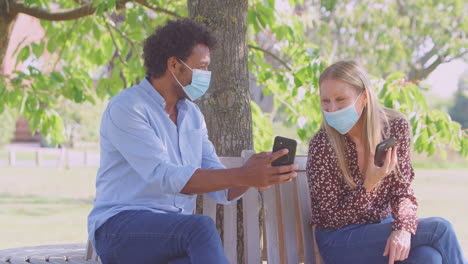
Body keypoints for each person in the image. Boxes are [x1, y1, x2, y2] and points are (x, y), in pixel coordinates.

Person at [87, 19, 298, 264]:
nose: (207, 76)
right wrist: (244, 174)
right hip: (120, 230)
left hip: (171, 236)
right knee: (200, 227)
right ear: (174, 65)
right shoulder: (128, 108)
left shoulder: (192, 116)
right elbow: (164, 176)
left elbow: (221, 185)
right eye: (202, 67)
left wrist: (258, 173)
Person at [306, 60, 467, 264]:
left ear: (363, 97)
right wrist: (369, 186)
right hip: (339, 239)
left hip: (383, 227)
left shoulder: (394, 128)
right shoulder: (322, 145)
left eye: (340, 99)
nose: (332, 108)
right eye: (325, 101)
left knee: (429, 257)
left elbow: (403, 191)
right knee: (440, 229)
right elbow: (330, 218)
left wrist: (403, 228)